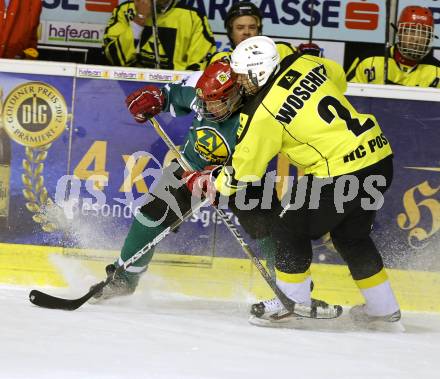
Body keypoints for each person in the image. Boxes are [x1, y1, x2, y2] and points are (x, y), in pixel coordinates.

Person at [190, 36, 401, 324]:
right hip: (378, 158)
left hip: (341, 172)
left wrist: (215, 183)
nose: (239, 82)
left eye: (242, 76)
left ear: (259, 73)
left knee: (287, 227)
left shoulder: (263, 113)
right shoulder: (303, 62)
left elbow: (244, 171)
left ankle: (291, 301)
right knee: (351, 237)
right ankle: (383, 308)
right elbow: (338, 78)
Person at [92, 59, 279, 300]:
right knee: (151, 216)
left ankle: (291, 288)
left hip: (240, 176)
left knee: (270, 229)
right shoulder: (202, 92)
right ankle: (124, 279)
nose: (207, 108)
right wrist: (155, 98)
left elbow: (253, 160)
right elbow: (170, 95)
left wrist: (216, 178)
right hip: (191, 168)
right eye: (204, 101)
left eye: (216, 103)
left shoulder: (258, 116)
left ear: (235, 94)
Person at [103, 0, 216, 70]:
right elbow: (114, 58)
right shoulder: (125, 10)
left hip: (174, 91)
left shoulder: (193, 17)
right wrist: (139, 19)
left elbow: (200, 66)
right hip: (129, 90)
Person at [346, 6, 440, 87]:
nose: (416, 38)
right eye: (411, 30)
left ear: (429, 38)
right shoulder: (369, 61)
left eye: (423, 33)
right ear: (399, 32)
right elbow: (347, 97)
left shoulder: (437, 71)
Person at [209, 1, 301, 64]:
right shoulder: (220, 60)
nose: (246, 32)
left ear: (259, 29)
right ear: (231, 32)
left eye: (252, 27)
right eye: (240, 28)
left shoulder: (282, 50)